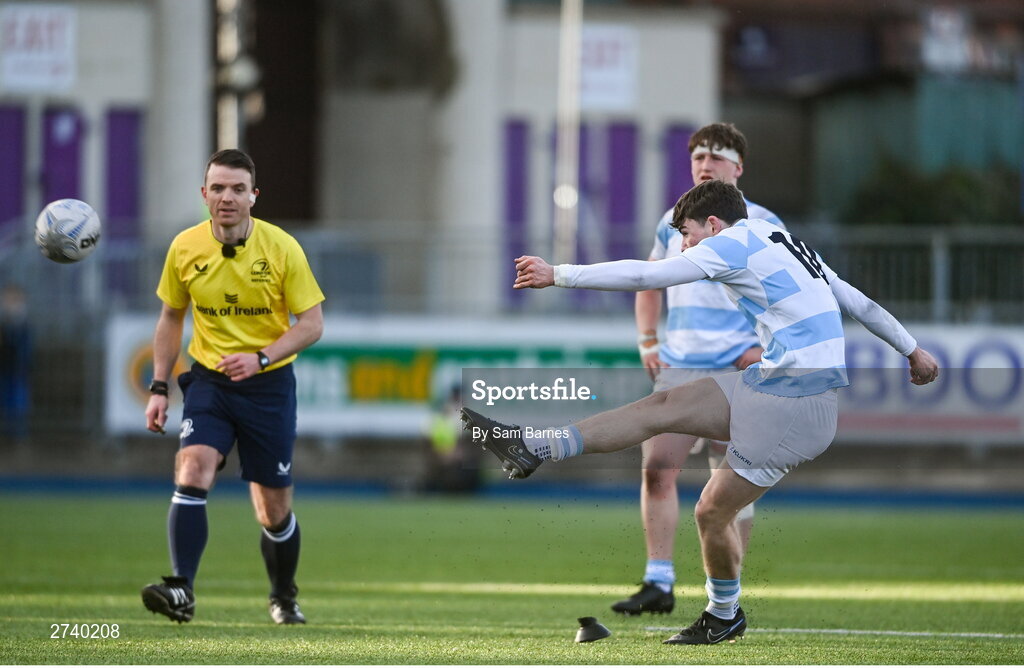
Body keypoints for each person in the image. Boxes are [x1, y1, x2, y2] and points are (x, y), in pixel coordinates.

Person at [462, 179, 939, 645]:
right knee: (662, 406)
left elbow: (646, 277)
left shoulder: (729, 243)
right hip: (773, 387)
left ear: (712, 224)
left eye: (685, 235)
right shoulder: (783, 240)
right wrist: (913, 349)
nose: (683, 246)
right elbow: (859, 302)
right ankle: (530, 446)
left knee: (711, 512)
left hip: (795, 405)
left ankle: (724, 615)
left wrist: (559, 273)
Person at [141, 149, 325, 625]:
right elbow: (170, 316)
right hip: (209, 381)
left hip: (268, 386)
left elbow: (311, 324)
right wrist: (160, 386)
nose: (227, 197)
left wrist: (261, 357)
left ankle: (283, 596)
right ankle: (181, 589)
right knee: (193, 466)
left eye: (237, 189)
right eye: (218, 188)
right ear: (205, 195)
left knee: (273, 510)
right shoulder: (184, 247)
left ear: (253, 197)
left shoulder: (282, 247)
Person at [618, 122, 784, 616]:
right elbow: (648, 282)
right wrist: (648, 340)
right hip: (681, 365)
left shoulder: (763, 223)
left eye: (716, 157)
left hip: (739, 370)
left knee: (729, 485)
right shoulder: (673, 219)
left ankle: (726, 593)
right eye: (698, 158)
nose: (704, 165)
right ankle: (658, 582)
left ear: (739, 167)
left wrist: (766, 351)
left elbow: (790, 294)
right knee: (656, 470)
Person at [0, 284, 31, 443]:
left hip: (18, 368)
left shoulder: (22, 322)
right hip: (5, 367)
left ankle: (18, 433)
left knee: (18, 399)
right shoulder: (4, 321)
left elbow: (25, 347)